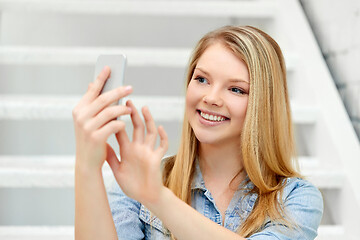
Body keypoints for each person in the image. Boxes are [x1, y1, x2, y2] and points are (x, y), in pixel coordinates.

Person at [73, 25, 323, 240]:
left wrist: (157, 198)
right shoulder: (139, 181)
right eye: (202, 79)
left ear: (264, 104)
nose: (211, 98)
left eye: (236, 89)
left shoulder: (296, 199)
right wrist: (87, 165)